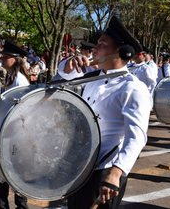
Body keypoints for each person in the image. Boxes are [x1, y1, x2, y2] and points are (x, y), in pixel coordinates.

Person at [58, 16, 151, 209]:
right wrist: (70, 62)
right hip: (81, 165)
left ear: (119, 52)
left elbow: (137, 136)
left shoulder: (132, 87)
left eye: (101, 44)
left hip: (105, 169)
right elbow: (64, 74)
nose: (94, 48)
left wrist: (117, 172)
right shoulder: (92, 77)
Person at [0, 40, 30, 209]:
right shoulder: (11, 77)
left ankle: (21, 206)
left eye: (5, 57)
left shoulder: (20, 81)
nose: (2, 59)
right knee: (2, 169)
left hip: (18, 132)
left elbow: (24, 109)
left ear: (15, 59)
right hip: (9, 130)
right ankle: (1, 205)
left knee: (18, 170)